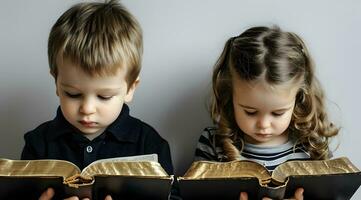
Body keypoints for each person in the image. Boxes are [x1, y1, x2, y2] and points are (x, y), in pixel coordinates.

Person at [21, 1, 176, 199]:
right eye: (73, 94)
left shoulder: (150, 144)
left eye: (104, 96)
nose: (87, 108)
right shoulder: (38, 144)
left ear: (130, 88)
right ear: (56, 83)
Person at [194, 26, 339, 200]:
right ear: (230, 96)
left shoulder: (312, 145)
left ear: (298, 98)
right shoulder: (212, 144)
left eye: (278, 113)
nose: (264, 124)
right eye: (250, 112)